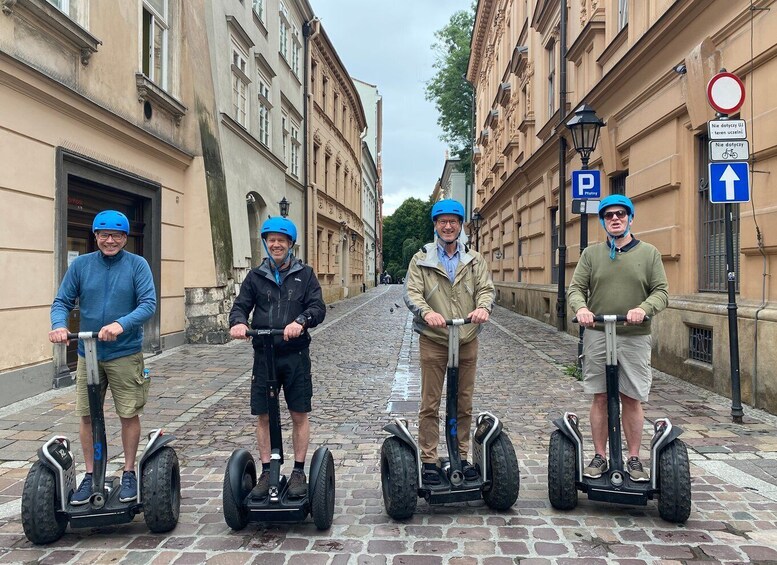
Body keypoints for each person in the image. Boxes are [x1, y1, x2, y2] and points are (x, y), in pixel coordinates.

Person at [49, 210, 156, 505]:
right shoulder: (82, 265)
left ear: (125, 238)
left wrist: (122, 324)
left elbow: (148, 304)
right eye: (105, 235)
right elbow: (62, 301)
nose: (111, 240)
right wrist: (59, 325)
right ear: (95, 236)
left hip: (124, 352)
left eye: (117, 235)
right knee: (87, 415)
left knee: (127, 413)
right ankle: (91, 474)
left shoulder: (137, 265)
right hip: (88, 353)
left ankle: (129, 472)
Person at [567, 194, 668, 482]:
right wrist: (582, 308)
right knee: (599, 396)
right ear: (602, 221)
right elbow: (576, 289)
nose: (615, 219)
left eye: (620, 215)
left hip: (633, 335)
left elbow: (661, 292)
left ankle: (634, 459)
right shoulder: (591, 254)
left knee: (632, 397)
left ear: (630, 218)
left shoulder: (649, 254)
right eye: (609, 215)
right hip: (598, 334)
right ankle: (600, 456)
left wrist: (643, 309)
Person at [229, 217, 326, 499]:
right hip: (264, 354)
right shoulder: (255, 276)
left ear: (290, 244)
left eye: (281, 240)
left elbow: (317, 307)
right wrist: (237, 322)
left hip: (294, 354)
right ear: (265, 242)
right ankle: (267, 471)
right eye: (271, 240)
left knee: (299, 413)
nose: (276, 244)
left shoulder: (305, 274)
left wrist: (301, 321)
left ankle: (297, 471)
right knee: (263, 415)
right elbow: (240, 307)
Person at [404, 199, 495, 485]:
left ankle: (461, 455)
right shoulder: (421, 258)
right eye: (442, 221)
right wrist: (427, 312)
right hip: (435, 339)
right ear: (435, 225)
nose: (447, 226)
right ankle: (429, 460)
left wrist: (483, 308)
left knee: (463, 402)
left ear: (460, 225)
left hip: (466, 338)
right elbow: (411, 293)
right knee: (430, 403)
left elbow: (486, 289)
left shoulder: (474, 259)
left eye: (453, 221)